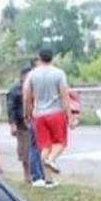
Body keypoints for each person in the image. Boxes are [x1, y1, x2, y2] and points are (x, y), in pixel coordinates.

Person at [24, 48, 72, 187]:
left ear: (39, 58)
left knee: (45, 146)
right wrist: (69, 115)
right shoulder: (58, 73)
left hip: (39, 114)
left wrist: (27, 113)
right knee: (60, 143)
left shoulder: (32, 75)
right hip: (56, 113)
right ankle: (51, 160)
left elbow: (27, 97)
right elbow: (64, 96)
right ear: (53, 58)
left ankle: (48, 179)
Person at [8, 68, 43, 185]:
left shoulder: (35, 89)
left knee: (38, 149)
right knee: (24, 151)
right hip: (22, 125)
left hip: (36, 122)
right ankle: (27, 175)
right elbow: (11, 108)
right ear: (22, 77)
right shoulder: (15, 91)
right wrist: (13, 124)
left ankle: (39, 174)